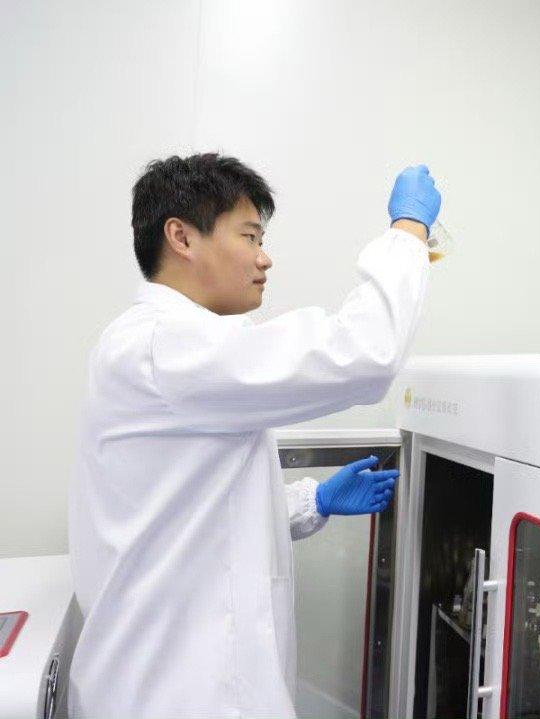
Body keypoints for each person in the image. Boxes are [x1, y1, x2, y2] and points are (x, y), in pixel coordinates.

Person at [67, 153, 440, 718]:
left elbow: (187, 516)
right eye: (249, 237)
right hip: (178, 697)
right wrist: (408, 233)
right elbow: (363, 354)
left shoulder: (156, 346)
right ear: (181, 237)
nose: (265, 258)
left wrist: (312, 501)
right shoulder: (166, 346)